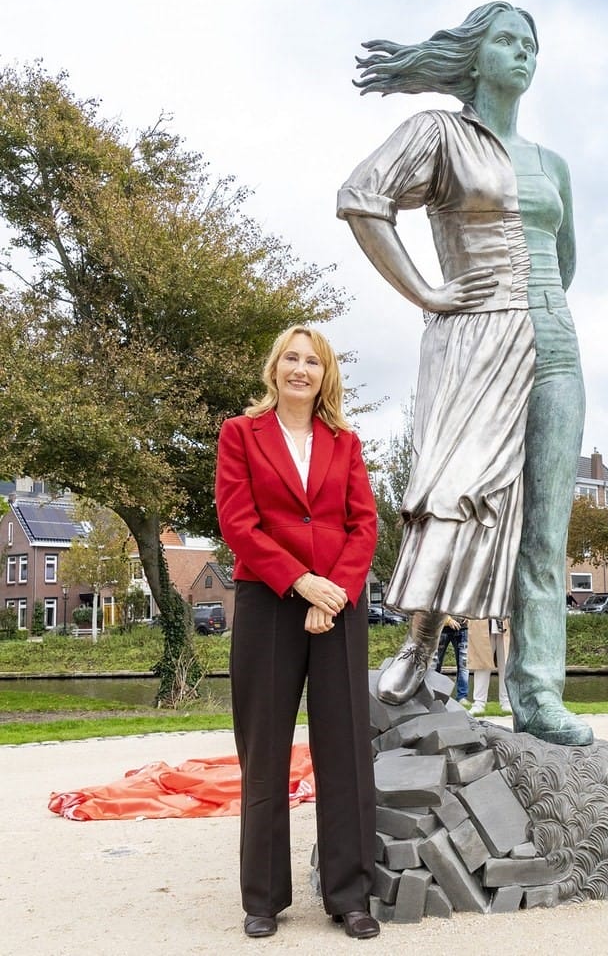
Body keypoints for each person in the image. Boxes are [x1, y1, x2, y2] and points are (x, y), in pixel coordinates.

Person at [337, 1, 592, 746]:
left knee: (545, 534)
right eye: (507, 42)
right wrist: (426, 290)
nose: (522, 55)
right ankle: (417, 644)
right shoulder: (440, 133)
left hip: (555, 346)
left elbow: (566, 259)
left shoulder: (553, 164)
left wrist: (537, 314)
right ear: (476, 56)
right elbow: (362, 198)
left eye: (530, 45)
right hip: (475, 340)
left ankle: (538, 690)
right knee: (453, 493)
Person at [215, 326, 379, 940]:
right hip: (269, 599)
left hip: (337, 601)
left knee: (344, 753)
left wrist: (332, 590)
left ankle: (350, 894)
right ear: (275, 367)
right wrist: (299, 583)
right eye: (292, 358)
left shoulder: (346, 441)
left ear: (325, 374)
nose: (301, 369)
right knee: (264, 751)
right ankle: (263, 897)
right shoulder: (240, 434)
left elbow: (364, 525)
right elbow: (239, 523)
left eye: (313, 361)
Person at [467, 616, 511, 716]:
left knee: (506, 664)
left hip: (505, 623)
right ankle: (479, 703)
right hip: (482, 622)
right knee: (482, 664)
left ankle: (506, 702)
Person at [433, 616, 468, 702]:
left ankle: (462, 697)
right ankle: (433, 695)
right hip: (442, 628)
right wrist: (447, 620)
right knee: (435, 665)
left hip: (462, 628)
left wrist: (469, 616)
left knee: (464, 666)